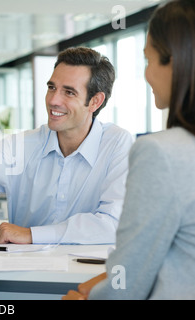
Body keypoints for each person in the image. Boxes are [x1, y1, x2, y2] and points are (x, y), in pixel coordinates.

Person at [0, 47, 133, 245]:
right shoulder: (23, 146)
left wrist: (31, 235)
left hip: (87, 275)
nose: (53, 100)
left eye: (69, 92)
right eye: (52, 87)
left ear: (95, 101)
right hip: (22, 274)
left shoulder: (117, 145)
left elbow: (113, 224)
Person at [63, 0, 195, 300]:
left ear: (174, 62)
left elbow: (128, 286)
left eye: (148, 61)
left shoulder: (160, 153)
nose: (146, 75)